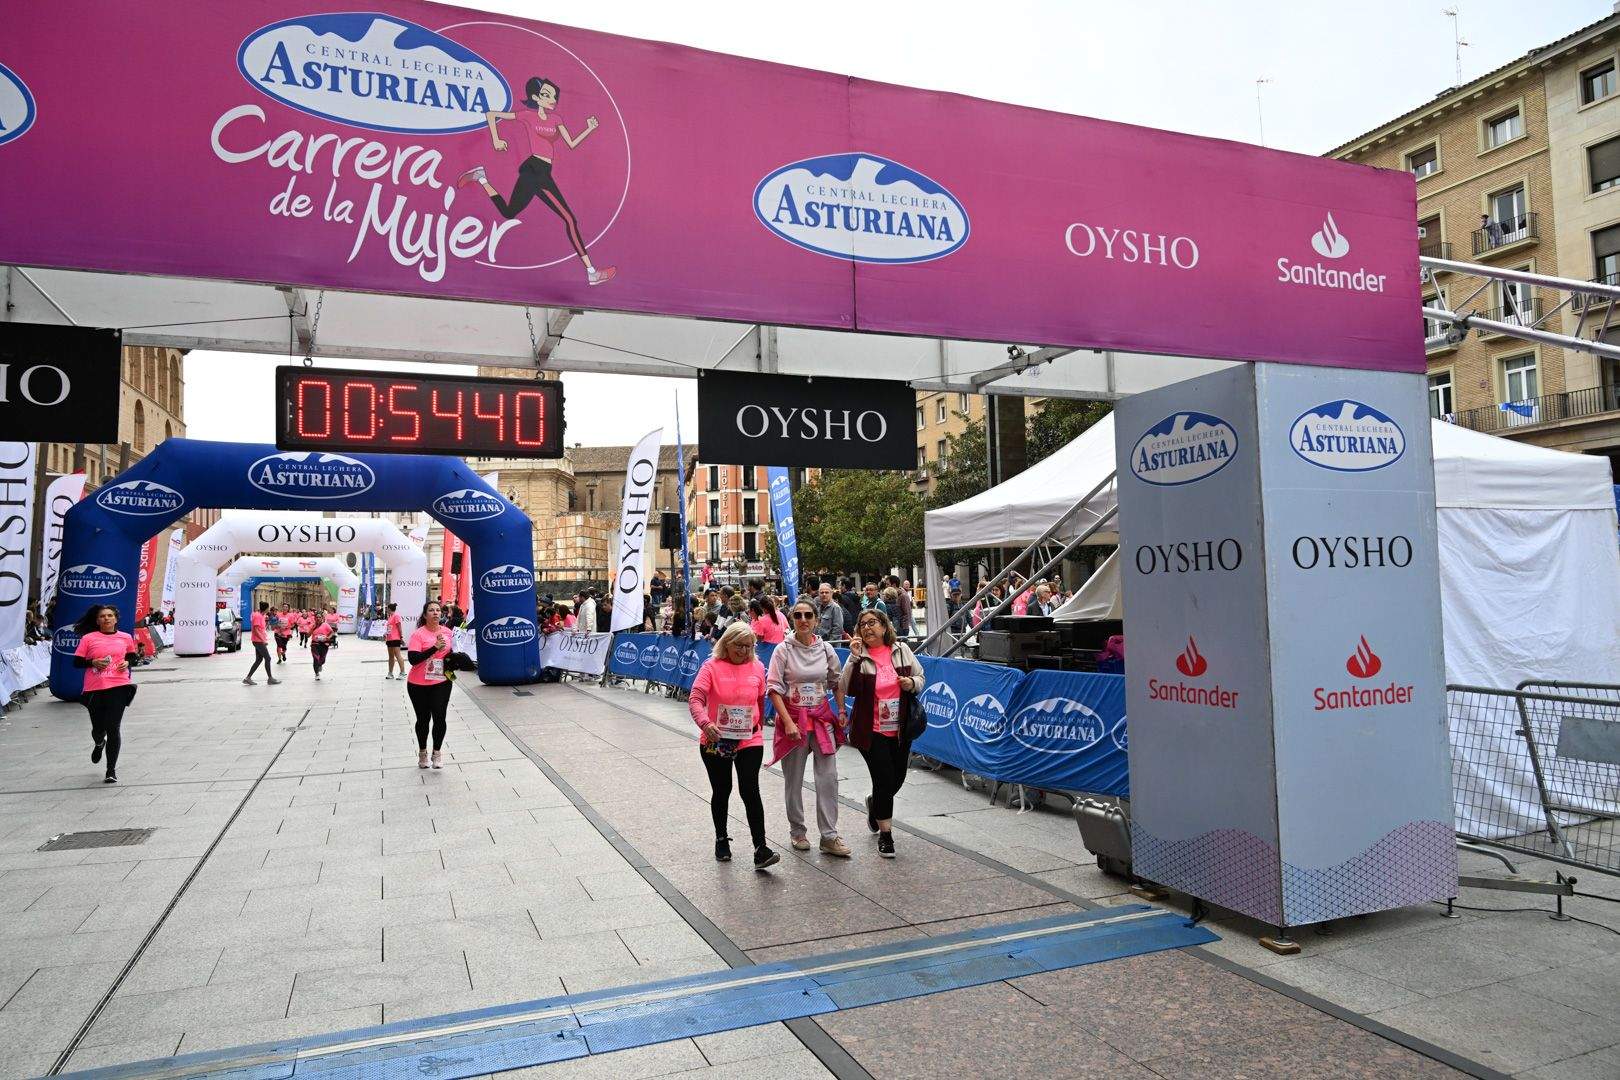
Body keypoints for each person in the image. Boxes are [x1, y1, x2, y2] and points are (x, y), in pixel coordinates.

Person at [459, 76, 616, 287]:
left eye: (554, 96)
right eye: (546, 95)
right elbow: (491, 114)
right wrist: (496, 139)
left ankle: (482, 178)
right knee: (570, 219)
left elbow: (571, 143)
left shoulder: (556, 119)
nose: (552, 100)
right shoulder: (527, 116)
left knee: (509, 212)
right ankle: (591, 272)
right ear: (535, 98)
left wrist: (589, 128)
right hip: (535, 170)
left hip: (543, 172)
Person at [688, 622, 778, 870]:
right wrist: (705, 723)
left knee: (750, 789)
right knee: (722, 789)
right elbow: (696, 699)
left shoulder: (757, 667)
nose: (743, 651)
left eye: (748, 646)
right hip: (717, 739)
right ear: (726, 643)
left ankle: (760, 848)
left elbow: (760, 700)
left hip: (749, 738)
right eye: (738, 645)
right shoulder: (711, 667)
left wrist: (758, 724)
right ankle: (721, 838)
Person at [767, 599, 850, 857]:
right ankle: (798, 831)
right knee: (793, 779)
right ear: (792, 619)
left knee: (828, 778)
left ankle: (829, 836)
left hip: (821, 718)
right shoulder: (783, 650)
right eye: (798, 615)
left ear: (816, 619)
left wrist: (842, 710)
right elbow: (773, 688)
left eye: (808, 615)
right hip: (793, 720)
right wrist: (788, 722)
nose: (803, 620)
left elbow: (836, 682)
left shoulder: (826, 649)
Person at [839, 609, 923, 859]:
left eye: (872, 623)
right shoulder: (859, 656)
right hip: (870, 731)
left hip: (900, 729)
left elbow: (920, 677)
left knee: (897, 778)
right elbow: (846, 687)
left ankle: (875, 803)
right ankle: (886, 836)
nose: (867, 628)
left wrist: (911, 683)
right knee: (884, 779)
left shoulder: (901, 650)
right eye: (863, 624)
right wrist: (853, 658)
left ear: (885, 627)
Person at [72, 604, 138, 784]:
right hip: (95, 688)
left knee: (113, 727)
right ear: (97, 621)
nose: (106, 618)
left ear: (116, 619)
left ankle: (110, 770)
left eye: (110, 615)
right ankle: (99, 742)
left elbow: (132, 656)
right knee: (98, 728)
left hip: (119, 685)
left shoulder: (125, 637)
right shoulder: (88, 638)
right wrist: (93, 662)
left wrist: (127, 662)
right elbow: (77, 662)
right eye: (102, 616)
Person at [406, 600, 455, 769]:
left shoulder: (448, 632)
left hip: (442, 681)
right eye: (431, 610)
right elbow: (413, 659)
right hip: (418, 684)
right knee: (423, 720)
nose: (435, 613)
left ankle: (437, 753)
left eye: (438, 610)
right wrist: (434, 648)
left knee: (440, 717)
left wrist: (457, 660)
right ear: (425, 615)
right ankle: (422, 752)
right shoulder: (418, 634)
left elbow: (451, 653)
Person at [243, 602, 279, 685]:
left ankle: (247, 678)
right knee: (268, 658)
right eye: (268, 608)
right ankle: (270, 678)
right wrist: (263, 640)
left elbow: (261, 629)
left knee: (259, 659)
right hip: (258, 641)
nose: (268, 610)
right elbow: (255, 630)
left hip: (259, 640)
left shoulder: (262, 616)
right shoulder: (257, 616)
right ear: (266, 609)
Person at [384, 602, 406, 680]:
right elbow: (390, 628)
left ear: (389, 609)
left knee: (398, 655)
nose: (386, 610)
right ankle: (390, 673)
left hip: (396, 639)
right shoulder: (390, 617)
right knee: (391, 656)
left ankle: (403, 673)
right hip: (389, 639)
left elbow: (399, 627)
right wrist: (385, 634)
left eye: (387, 609)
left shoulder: (396, 616)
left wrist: (401, 637)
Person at [310, 615, 335, 680]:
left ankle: (320, 665)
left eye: (319, 617)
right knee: (316, 658)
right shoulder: (313, 625)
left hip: (324, 644)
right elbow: (307, 635)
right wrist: (312, 629)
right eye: (317, 617)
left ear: (322, 618)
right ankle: (317, 674)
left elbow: (332, 632)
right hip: (314, 644)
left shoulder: (325, 625)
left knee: (322, 660)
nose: (318, 618)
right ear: (315, 618)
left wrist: (328, 637)